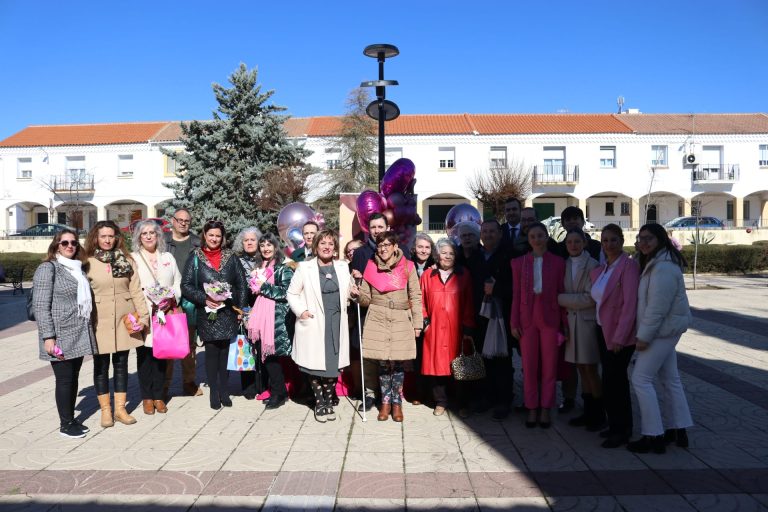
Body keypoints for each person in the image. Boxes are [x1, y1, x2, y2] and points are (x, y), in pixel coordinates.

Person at [628, 224, 693, 454]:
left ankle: (653, 434)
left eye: (649, 238)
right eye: (640, 238)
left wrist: (644, 337)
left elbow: (657, 308)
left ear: (661, 240)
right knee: (670, 379)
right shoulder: (657, 262)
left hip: (661, 331)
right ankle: (678, 429)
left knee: (640, 379)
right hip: (666, 330)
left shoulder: (663, 267)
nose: (643, 242)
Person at [287, 229, 359, 422]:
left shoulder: (343, 267)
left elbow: (349, 293)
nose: (327, 247)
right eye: (323, 243)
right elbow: (292, 293)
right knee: (314, 366)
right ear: (316, 246)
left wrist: (353, 292)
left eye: (330, 244)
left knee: (333, 366)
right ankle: (320, 402)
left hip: (336, 323)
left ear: (335, 248)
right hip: (313, 322)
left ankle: (328, 400)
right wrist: (301, 311)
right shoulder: (304, 268)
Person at [84, 220, 149, 428]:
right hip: (99, 320)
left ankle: (120, 409)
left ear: (117, 238)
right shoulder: (87, 262)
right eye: (103, 236)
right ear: (95, 238)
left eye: (111, 236)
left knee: (121, 364)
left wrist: (143, 317)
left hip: (124, 319)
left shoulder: (127, 260)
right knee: (101, 365)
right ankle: (106, 410)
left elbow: (136, 290)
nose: (107, 240)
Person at [33, 229, 96, 438]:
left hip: (78, 332)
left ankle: (71, 418)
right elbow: (41, 305)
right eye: (65, 243)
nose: (70, 246)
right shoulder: (48, 268)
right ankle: (65, 424)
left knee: (73, 377)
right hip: (59, 334)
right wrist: (48, 337)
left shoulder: (78, 268)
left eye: (74, 243)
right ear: (56, 246)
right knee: (64, 379)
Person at [180, 220, 248, 410]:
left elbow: (242, 283)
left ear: (222, 237)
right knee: (211, 352)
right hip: (207, 313)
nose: (214, 239)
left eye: (218, 235)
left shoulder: (231, 257)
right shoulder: (195, 256)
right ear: (205, 235)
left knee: (225, 352)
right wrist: (204, 298)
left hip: (227, 312)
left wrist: (240, 309)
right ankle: (213, 391)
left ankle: (224, 390)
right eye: (211, 235)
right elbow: (185, 285)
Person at [359, 232, 423, 422]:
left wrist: (417, 324)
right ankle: (385, 403)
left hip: (401, 317)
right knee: (383, 363)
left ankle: (397, 403)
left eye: (387, 244)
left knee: (398, 363)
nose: (383, 248)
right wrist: (356, 294)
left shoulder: (408, 266)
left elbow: (416, 296)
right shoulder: (371, 266)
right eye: (380, 245)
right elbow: (365, 299)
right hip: (378, 317)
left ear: (395, 247)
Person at [509, 222, 567, 429]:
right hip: (527, 319)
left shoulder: (558, 262)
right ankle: (532, 406)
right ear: (528, 239)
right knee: (529, 366)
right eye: (533, 236)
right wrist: (514, 322)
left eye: (540, 236)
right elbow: (516, 295)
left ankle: (546, 408)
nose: (537, 240)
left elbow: (561, 292)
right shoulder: (518, 263)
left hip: (550, 318)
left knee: (549, 367)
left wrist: (564, 324)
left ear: (546, 237)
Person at [590, 224, 640, 448]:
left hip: (619, 336)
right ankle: (614, 425)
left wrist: (620, 337)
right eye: (605, 240)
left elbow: (630, 305)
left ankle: (622, 430)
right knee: (609, 382)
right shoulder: (603, 268)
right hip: (602, 330)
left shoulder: (628, 267)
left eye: (613, 240)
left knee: (617, 383)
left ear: (622, 241)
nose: (609, 244)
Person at [131, 220, 182, 415]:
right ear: (139, 237)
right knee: (144, 357)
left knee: (161, 356)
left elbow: (177, 282)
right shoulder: (134, 258)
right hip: (144, 313)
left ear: (158, 235)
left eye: (152, 232)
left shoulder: (167, 257)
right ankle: (147, 397)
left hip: (164, 313)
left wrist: (171, 298)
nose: (149, 236)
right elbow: (132, 286)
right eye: (144, 233)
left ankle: (159, 396)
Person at [420, 238, 474, 416]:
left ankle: (462, 404)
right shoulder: (427, 275)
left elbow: (469, 302)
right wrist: (425, 322)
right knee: (436, 367)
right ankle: (440, 402)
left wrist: (468, 327)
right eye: (444, 253)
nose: (448, 256)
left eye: (451, 253)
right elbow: (420, 301)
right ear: (437, 255)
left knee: (460, 367)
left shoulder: (464, 274)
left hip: (456, 329)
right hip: (434, 328)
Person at [466, 219, 514, 420]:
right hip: (480, 315)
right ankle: (486, 397)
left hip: (501, 316)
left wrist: (497, 289)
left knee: (502, 359)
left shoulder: (509, 255)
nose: (488, 235)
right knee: (483, 358)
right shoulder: (474, 257)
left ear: (500, 234)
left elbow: (516, 287)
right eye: (484, 231)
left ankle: (504, 400)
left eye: (492, 231)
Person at [557, 228, 604, 430]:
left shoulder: (593, 265)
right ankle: (588, 411)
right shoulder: (564, 264)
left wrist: (560, 299)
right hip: (571, 324)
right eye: (569, 242)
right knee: (580, 368)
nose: (573, 245)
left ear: (584, 243)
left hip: (586, 323)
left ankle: (599, 413)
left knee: (590, 369)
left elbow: (589, 298)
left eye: (577, 241)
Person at [247, 232, 295, 410]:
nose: (265, 248)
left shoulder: (283, 268)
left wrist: (263, 287)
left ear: (275, 247)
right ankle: (278, 391)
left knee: (271, 357)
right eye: (262, 245)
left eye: (269, 245)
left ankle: (279, 394)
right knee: (265, 357)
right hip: (261, 317)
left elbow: (286, 292)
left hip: (276, 319)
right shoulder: (259, 267)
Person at [350, 212, 390, 411]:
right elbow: (355, 283)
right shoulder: (360, 253)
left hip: (389, 312)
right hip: (367, 312)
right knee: (368, 356)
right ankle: (370, 394)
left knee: (386, 356)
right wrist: (356, 281)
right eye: (373, 227)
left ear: (387, 228)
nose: (377, 231)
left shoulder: (398, 250)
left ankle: (386, 395)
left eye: (380, 227)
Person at [163, 208, 203, 398]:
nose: (183, 223)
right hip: (167, 299)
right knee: (168, 343)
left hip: (189, 299)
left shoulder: (196, 243)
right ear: (173, 220)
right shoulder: (163, 242)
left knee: (189, 344)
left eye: (187, 221)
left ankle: (188, 382)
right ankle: (164, 385)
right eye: (180, 220)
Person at [233, 226, 264, 400]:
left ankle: (263, 384)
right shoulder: (236, 261)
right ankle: (248, 385)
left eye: (253, 239)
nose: (250, 242)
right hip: (244, 306)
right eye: (246, 240)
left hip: (262, 305)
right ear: (241, 243)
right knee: (246, 345)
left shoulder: (264, 259)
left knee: (262, 346)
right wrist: (239, 308)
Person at [406, 232, 437, 405]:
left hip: (431, 316)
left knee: (430, 355)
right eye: (420, 247)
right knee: (416, 356)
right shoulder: (407, 264)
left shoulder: (436, 266)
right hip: (412, 315)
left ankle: (432, 393)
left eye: (427, 247)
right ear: (414, 248)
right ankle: (418, 392)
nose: (424, 251)